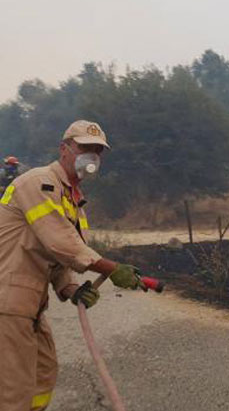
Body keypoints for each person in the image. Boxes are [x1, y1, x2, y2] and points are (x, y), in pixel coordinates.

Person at [0, 120, 147, 410]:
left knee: (43, 374)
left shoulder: (72, 199)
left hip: (29, 303)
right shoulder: (39, 182)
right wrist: (110, 268)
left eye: (97, 151)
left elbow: (56, 254)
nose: (91, 156)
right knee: (14, 390)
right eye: (84, 148)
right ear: (64, 149)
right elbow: (60, 242)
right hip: (8, 299)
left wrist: (70, 289)